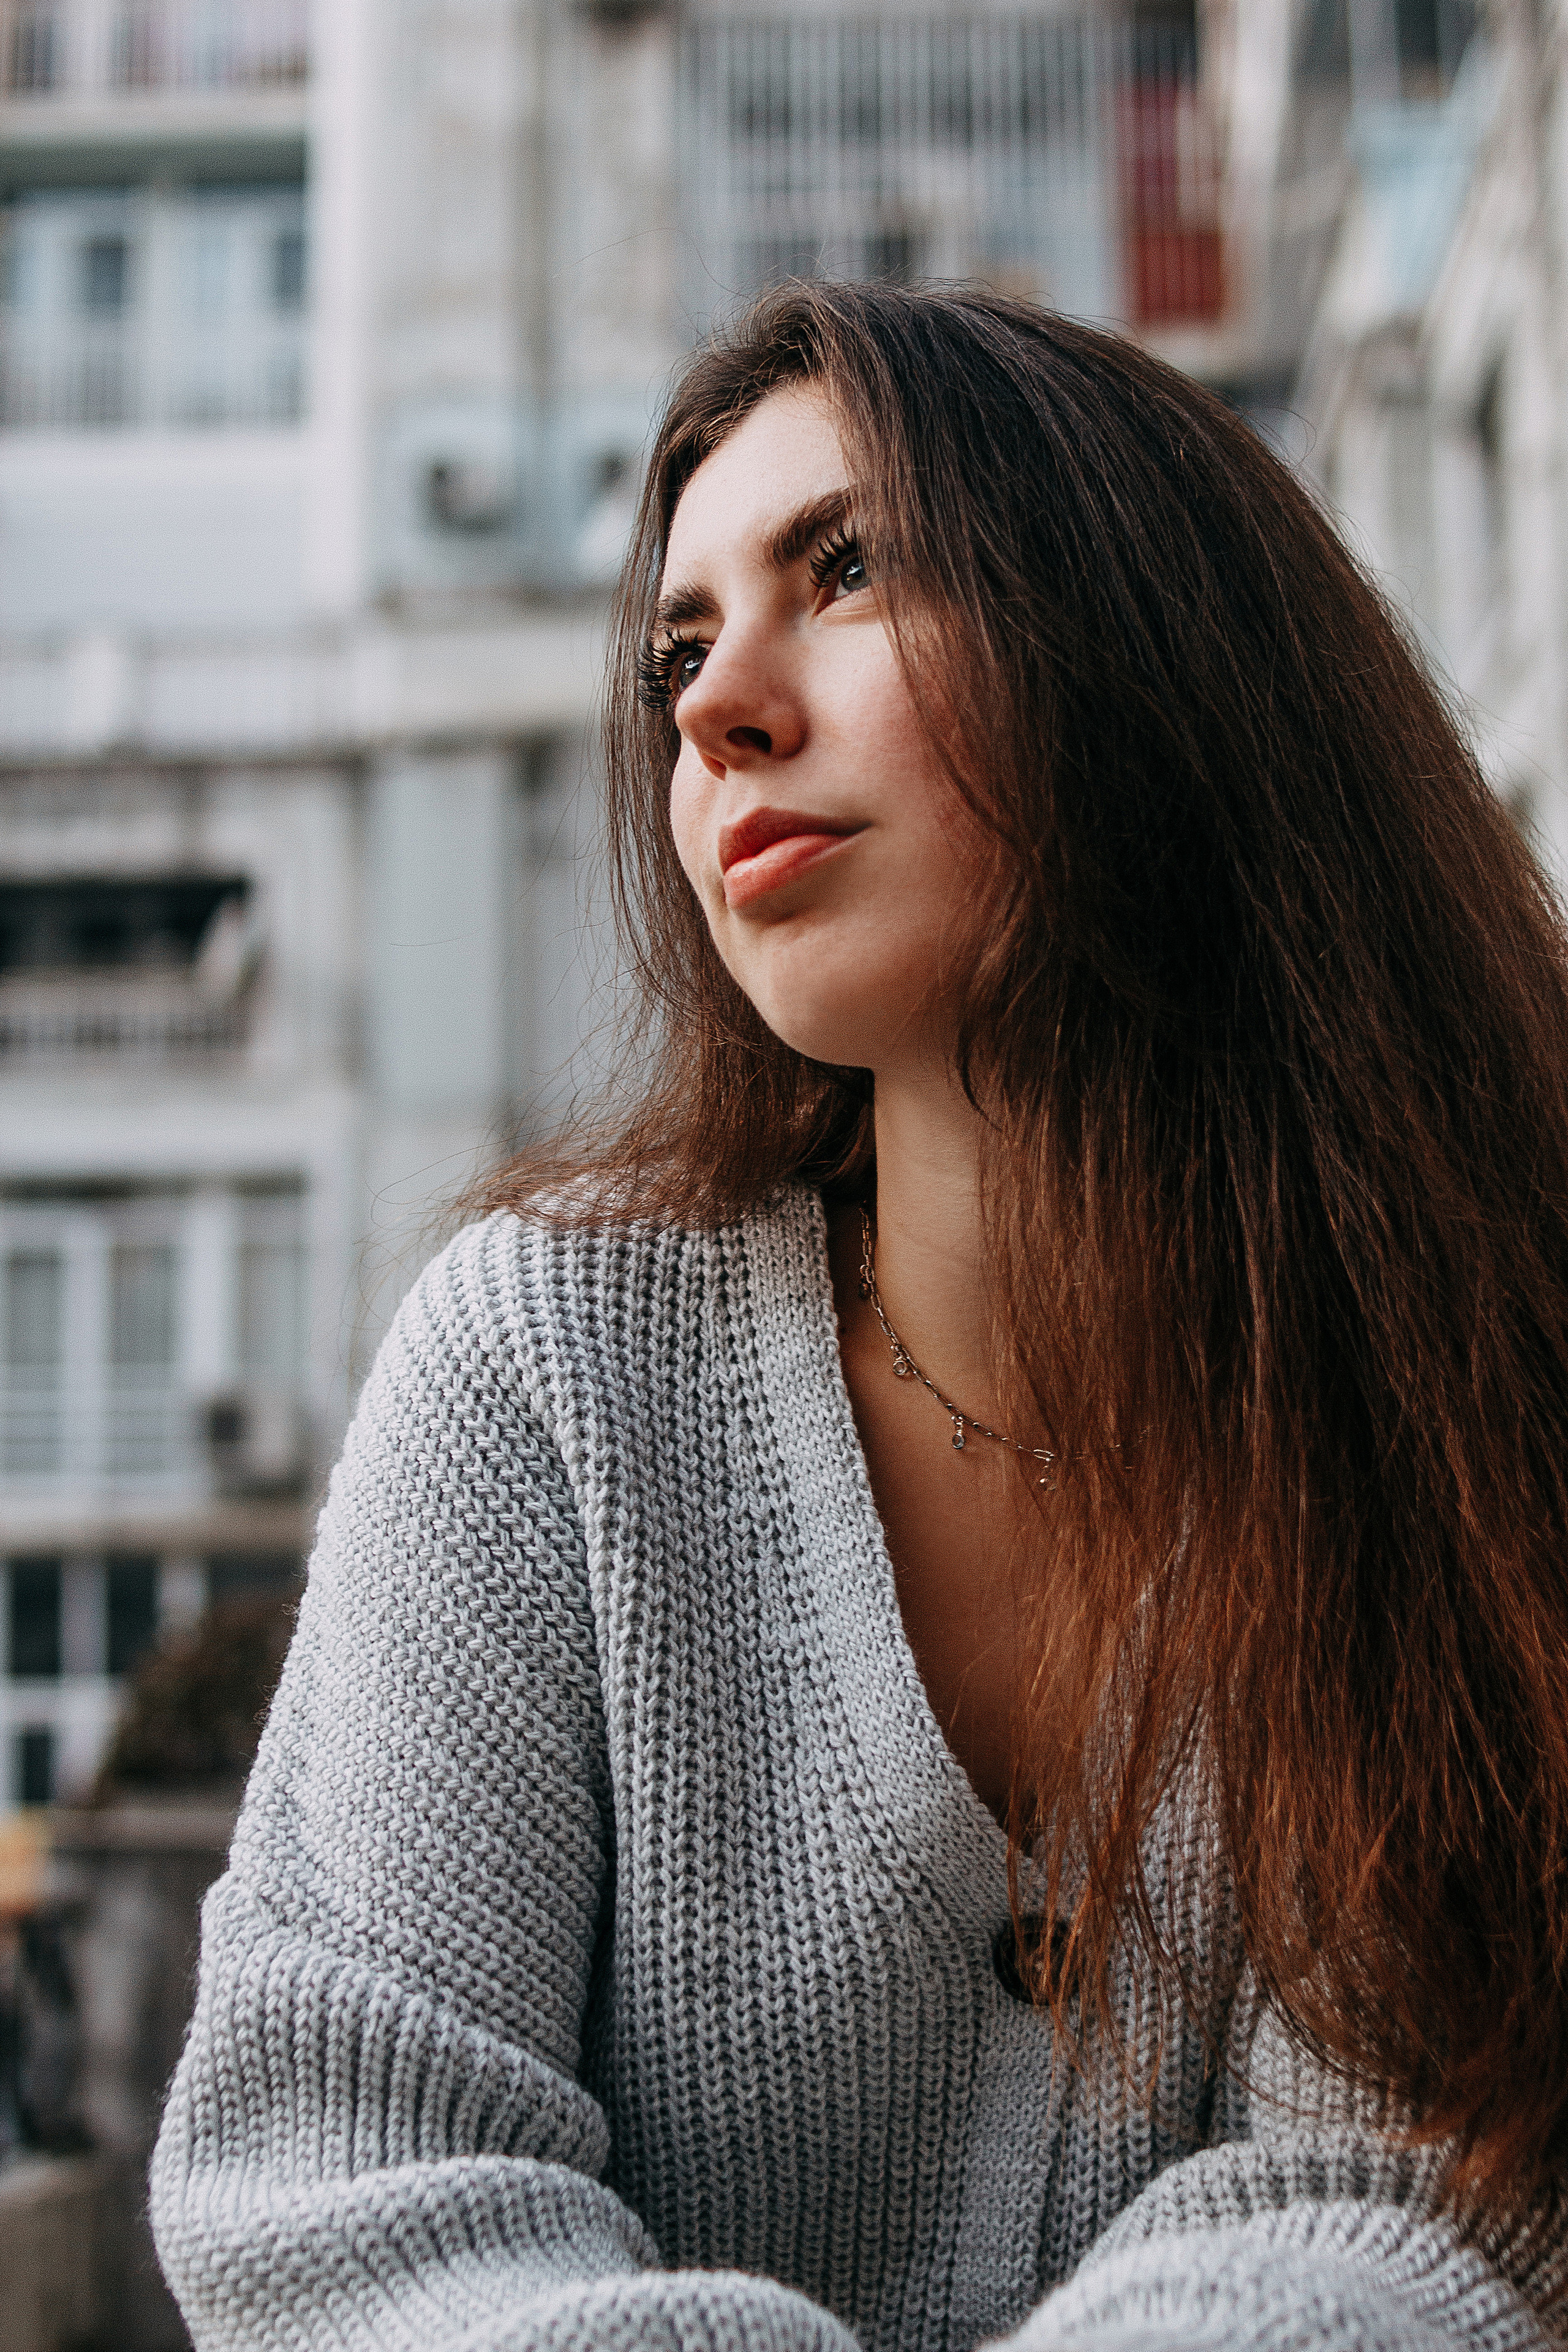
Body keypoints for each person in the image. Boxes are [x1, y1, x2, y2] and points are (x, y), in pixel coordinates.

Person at [151, 283, 1568, 2350]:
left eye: (854, 567)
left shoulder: (1461, 1379)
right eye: (680, 647)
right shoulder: (545, 1375)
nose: (719, 704)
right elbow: (344, 2183)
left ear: (1153, 641)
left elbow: (1440, 2193)